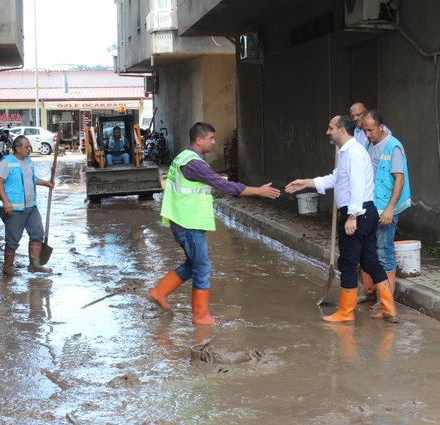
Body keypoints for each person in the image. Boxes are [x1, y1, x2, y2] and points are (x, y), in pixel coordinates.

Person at [148, 122, 281, 325]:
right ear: (199, 140)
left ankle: (159, 292)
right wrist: (257, 190)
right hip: (188, 222)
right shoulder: (194, 163)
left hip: (182, 220)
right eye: (211, 138)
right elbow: (223, 184)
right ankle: (201, 316)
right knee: (202, 267)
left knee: (194, 264)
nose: (214, 142)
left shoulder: (183, 156)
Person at [285, 115, 398, 322]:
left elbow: (356, 185)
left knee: (348, 262)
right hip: (365, 212)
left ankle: (346, 312)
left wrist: (352, 216)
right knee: (370, 261)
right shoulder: (348, 152)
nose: (328, 132)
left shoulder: (353, 153)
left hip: (359, 213)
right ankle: (389, 308)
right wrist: (307, 182)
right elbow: (336, 178)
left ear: (342, 130)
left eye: (331, 128)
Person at [359, 110, 411, 311]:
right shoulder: (368, 145)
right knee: (368, 249)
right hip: (373, 206)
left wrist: (390, 209)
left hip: (387, 209)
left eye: (371, 130)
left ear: (381, 127)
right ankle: (371, 291)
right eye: (365, 130)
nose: (368, 134)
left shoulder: (393, 146)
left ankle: (386, 299)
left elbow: (399, 179)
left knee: (384, 251)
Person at [0, 135, 55, 276]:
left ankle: (34, 264)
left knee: (37, 233)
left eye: (29, 146)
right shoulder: (6, 162)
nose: (29, 148)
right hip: (14, 208)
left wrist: (46, 183)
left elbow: (32, 179)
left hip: (31, 206)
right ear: (17, 148)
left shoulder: (28, 161)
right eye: (27, 146)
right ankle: (8, 267)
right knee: (13, 239)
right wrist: (6, 202)